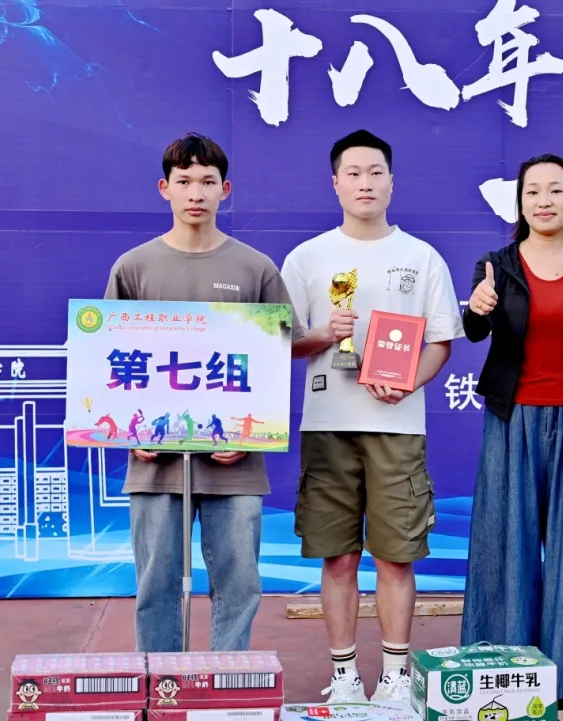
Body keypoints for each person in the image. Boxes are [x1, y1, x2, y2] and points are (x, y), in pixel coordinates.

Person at [282, 129, 464, 703]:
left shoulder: (421, 257)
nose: (365, 183)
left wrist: (408, 380)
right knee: (338, 556)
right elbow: (280, 342)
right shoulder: (307, 258)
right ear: (335, 183)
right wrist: (321, 335)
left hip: (398, 427)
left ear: (391, 182)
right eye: (354, 173)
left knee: (396, 556)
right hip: (327, 426)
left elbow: (440, 341)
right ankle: (343, 676)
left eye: (375, 172)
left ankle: (394, 676)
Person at [103, 132, 303, 653]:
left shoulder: (255, 268)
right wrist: (131, 432)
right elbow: (110, 361)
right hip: (154, 462)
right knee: (155, 585)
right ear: (164, 188)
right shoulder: (133, 268)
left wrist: (251, 434)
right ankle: (161, 682)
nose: (196, 192)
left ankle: (228, 683)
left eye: (208, 182)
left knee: (239, 584)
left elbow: (274, 358)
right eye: (185, 181)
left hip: (235, 462)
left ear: (225, 189)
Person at [458, 154, 563, 711]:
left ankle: (562, 674)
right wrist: (477, 307)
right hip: (513, 423)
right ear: (520, 203)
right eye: (532, 191)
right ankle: (504, 665)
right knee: (504, 550)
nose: (544, 200)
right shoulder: (497, 265)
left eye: (555, 189)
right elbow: (475, 330)